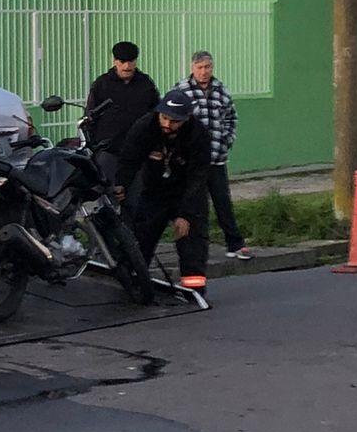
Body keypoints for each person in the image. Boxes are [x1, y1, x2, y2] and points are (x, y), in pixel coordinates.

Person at [114, 89, 212, 291]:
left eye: (174, 121)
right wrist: (120, 185)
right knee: (141, 239)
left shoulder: (198, 135)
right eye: (164, 118)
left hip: (188, 193)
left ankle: (194, 289)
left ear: (186, 118)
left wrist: (185, 214)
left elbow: (198, 177)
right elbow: (129, 159)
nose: (167, 124)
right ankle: (135, 283)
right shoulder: (145, 126)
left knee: (191, 242)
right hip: (155, 192)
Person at [171, 50, 251, 260]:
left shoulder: (221, 90)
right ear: (192, 68)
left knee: (223, 201)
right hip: (190, 162)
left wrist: (226, 141)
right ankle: (194, 246)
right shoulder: (181, 91)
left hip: (216, 159)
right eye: (200, 68)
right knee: (193, 205)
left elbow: (231, 119)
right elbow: (171, 121)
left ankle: (235, 244)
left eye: (208, 67)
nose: (204, 72)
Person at [84, 40, 160, 187]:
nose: (127, 66)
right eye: (122, 61)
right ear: (115, 61)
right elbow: (90, 117)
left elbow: (156, 115)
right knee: (109, 193)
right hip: (109, 152)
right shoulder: (102, 84)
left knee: (138, 196)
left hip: (139, 152)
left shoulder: (146, 84)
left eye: (131, 61)